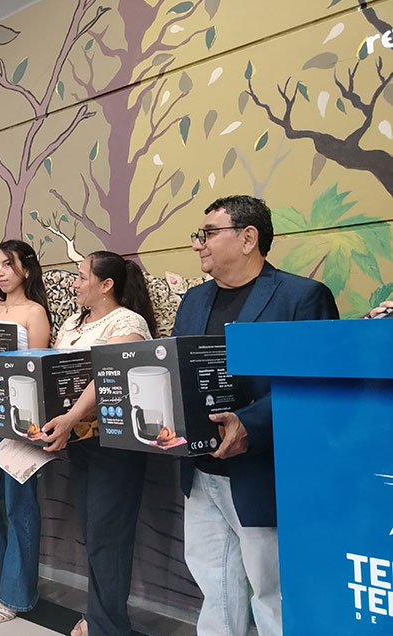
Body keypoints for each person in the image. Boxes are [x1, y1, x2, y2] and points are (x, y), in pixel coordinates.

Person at [173, 195, 338, 636]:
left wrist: (250, 424)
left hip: (264, 474)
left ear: (248, 238)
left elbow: (317, 386)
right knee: (215, 587)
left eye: (209, 233)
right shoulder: (193, 301)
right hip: (200, 474)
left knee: (273, 593)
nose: (198, 244)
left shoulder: (302, 297)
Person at [42, 252, 157, 636]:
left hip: (115, 444)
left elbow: (108, 375)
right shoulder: (73, 323)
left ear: (106, 285)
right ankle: (98, 617)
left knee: (109, 536)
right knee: (94, 533)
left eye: (81, 276)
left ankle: (106, 625)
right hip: (80, 442)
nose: (74, 284)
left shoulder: (128, 322)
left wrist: (71, 416)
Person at [0, 240, 51, 623]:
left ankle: (17, 594)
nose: (0, 273)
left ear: (26, 270)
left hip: (21, 417)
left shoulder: (35, 312)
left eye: (8, 265)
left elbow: (37, 370)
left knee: (20, 503)